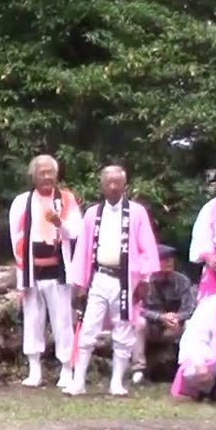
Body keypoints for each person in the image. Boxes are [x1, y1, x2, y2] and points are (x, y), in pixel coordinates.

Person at [68, 165, 160, 396]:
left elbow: (146, 247)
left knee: (124, 329)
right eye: (108, 183)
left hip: (126, 279)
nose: (112, 187)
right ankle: (78, 381)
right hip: (99, 276)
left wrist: (145, 279)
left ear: (124, 185)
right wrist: (80, 284)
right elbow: (82, 250)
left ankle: (116, 382)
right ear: (102, 186)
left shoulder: (137, 213)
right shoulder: (92, 214)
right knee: (88, 328)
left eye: (117, 182)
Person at [8, 154, 83, 388]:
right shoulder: (22, 201)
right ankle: (34, 369)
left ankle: (66, 369)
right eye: (42, 173)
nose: (47, 177)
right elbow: (15, 235)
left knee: (62, 320)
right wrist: (22, 264)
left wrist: (60, 224)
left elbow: (77, 231)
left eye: (51, 172)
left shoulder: (67, 199)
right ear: (33, 176)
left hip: (58, 268)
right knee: (33, 319)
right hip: (32, 267)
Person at [131, 244, 195, 384]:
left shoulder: (182, 281)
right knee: (138, 322)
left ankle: (188, 369)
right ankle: (138, 370)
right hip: (150, 327)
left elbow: (189, 308)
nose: (169, 262)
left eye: (170, 259)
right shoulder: (143, 281)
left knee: (190, 326)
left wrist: (176, 317)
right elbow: (136, 307)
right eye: (164, 259)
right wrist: (160, 317)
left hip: (171, 328)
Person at [172, 292, 216, 401]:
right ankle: (211, 388)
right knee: (192, 371)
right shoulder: (211, 304)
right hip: (215, 361)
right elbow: (195, 338)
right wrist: (200, 364)